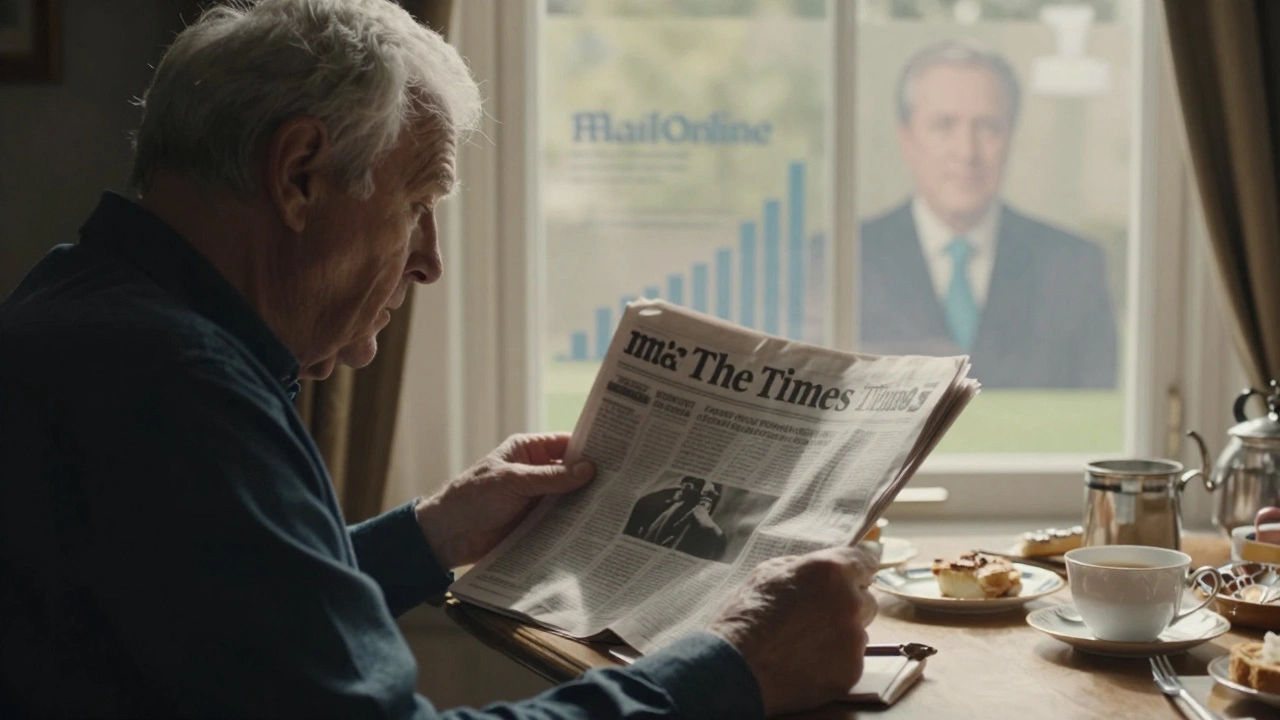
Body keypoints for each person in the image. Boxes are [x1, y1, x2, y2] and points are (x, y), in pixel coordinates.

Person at [0, 1, 878, 718]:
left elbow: (222, 620)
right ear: (300, 174)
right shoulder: (175, 386)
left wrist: (432, 534)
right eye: (417, 200)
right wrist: (735, 665)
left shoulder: (89, 307)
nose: (430, 260)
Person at [859, 39, 1118, 389]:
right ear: (906, 138)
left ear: (1010, 136)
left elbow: (1099, 419)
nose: (966, 151)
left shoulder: (1074, 267)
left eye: (988, 127)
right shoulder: (846, 261)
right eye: (944, 125)